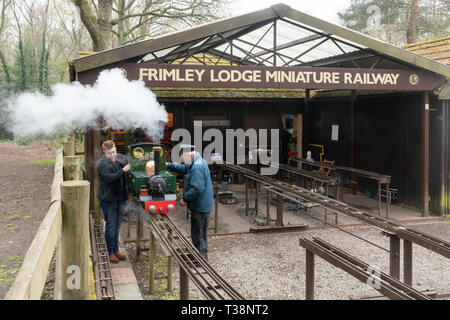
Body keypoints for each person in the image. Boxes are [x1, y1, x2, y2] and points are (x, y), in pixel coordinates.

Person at [166, 146, 213, 260]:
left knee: (197, 233)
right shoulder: (197, 161)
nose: (183, 160)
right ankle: (202, 255)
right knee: (202, 232)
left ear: (188, 155)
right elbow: (184, 168)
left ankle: (200, 259)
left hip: (200, 206)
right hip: (204, 204)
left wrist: (184, 198)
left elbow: (197, 188)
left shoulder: (196, 167)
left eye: (183, 158)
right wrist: (169, 165)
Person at [97, 140, 131, 264]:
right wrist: (123, 170)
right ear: (104, 152)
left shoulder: (118, 158)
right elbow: (109, 178)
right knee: (110, 226)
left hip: (120, 197)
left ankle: (116, 249)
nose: (112, 155)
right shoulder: (102, 164)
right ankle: (110, 252)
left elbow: (129, 159)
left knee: (117, 225)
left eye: (114, 152)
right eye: (109, 153)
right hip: (108, 199)